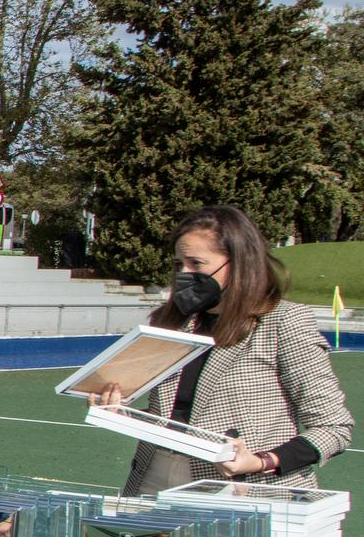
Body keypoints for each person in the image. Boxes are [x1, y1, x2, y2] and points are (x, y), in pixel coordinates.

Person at [91, 205, 351, 494]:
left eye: (196, 264)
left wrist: (260, 461)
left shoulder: (284, 321)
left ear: (238, 263)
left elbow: (333, 427)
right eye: (179, 265)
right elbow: (174, 417)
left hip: (243, 489)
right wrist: (117, 411)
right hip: (154, 479)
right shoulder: (171, 322)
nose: (185, 274)